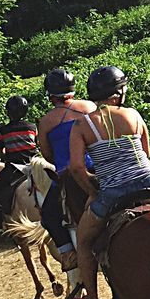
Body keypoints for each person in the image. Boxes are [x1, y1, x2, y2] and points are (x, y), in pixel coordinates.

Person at [66, 65, 150, 299]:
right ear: (118, 93)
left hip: (113, 190)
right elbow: (147, 153)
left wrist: (92, 191)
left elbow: (76, 168)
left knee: (84, 242)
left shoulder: (82, 126)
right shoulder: (133, 114)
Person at [36, 68, 93, 269]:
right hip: (96, 166)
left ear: (50, 96)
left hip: (66, 173)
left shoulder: (45, 122)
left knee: (48, 215)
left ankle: (68, 252)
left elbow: (47, 155)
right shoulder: (89, 106)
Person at [0, 95, 38, 233]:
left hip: (14, 167)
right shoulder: (32, 127)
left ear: (9, 112)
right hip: (33, 164)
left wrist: (4, 156)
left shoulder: (4, 130)